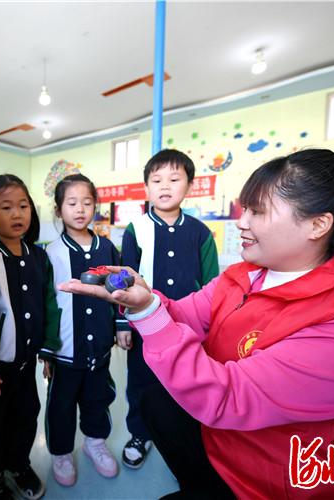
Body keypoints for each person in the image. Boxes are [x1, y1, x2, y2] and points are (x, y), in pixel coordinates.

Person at [59, 128, 334, 499]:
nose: (241, 222)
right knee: (155, 398)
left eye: (258, 211)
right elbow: (183, 314)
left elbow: (227, 397)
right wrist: (143, 301)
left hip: (292, 484)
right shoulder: (245, 275)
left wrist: (150, 311)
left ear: (317, 224)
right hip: (229, 447)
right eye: (244, 207)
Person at [0, 174, 60, 500]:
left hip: (26, 361)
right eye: (6, 207)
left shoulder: (38, 256)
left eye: (23, 206)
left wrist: (48, 349)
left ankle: (18, 464)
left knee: (25, 417)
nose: (17, 214)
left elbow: (49, 303)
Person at [118, 149, 219, 469]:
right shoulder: (136, 229)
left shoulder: (201, 232)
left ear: (189, 186)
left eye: (174, 179)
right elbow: (123, 280)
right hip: (145, 323)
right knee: (141, 381)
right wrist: (123, 325)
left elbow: (212, 282)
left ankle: (187, 432)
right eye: (156, 179)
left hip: (190, 325)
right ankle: (139, 432)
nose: (165, 186)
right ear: (146, 187)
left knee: (188, 378)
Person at [44, 174, 121, 486]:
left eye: (87, 203)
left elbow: (119, 288)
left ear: (96, 207)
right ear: (59, 208)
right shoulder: (50, 252)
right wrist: (47, 349)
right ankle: (60, 452)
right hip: (64, 347)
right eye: (72, 203)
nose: (80, 209)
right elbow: (46, 300)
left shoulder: (108, 249)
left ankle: (94, 442)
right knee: (61, 404)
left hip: (99, 346)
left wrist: (121, 326)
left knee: (97, 398)